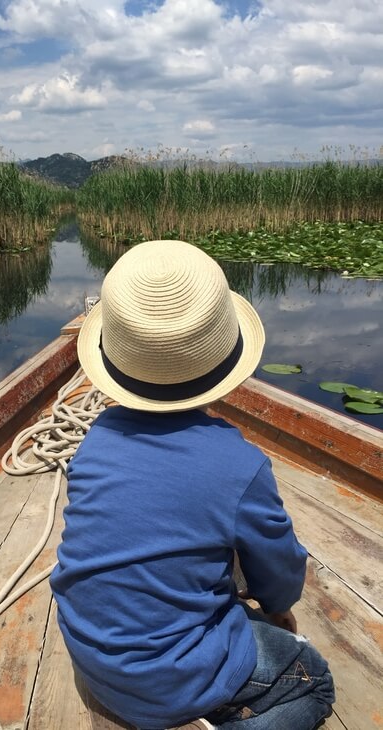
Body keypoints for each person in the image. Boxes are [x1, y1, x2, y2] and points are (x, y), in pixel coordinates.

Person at [50, 240, 335, 730]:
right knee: (313, 680)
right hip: (162, 680)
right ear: (223, 354)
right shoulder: (238, 464)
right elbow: (280, 573)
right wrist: (276, 609)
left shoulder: (95, 439)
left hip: (91, 658)